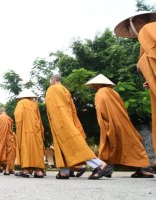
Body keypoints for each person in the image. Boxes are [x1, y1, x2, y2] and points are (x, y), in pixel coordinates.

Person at [45, 74, 113, 179]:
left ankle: (100, 164)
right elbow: (72, 109)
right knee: (66, 145)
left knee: (76, 145)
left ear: (53, 80)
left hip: (61, 122)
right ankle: (64, 171)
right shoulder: (65, 90)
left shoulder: (52, 89)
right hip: (68, 120)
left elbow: (53, 110)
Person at [86, 74, 154, 178]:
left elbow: (101, 110)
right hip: (123, 122)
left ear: (98, 84)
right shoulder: (114, 92)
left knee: (108, 145)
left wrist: (104, 124)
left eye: (94, 84)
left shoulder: (100, 92)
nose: (93, 86)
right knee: (131, 144)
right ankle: (143, 169)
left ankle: (105, 168)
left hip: (111, 122)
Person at [114, 11, 156, 172]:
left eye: (128, 27)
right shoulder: (144, 38)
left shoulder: (149, 29)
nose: (129, 32)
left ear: (137, 20)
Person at [14, 89, 45, 178]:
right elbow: (38, 118)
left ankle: (26, 170)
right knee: (36, 149)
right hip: (36, 130)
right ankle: (39, 171)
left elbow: (18, 117)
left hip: (25, 130)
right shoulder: (34, 104)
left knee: (26, 148)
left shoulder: (21, 103)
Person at [0, 107, 14, 175]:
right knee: (8, 152)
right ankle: (7, 170)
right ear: (5, 112)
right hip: (8, 137)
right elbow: (11, 130)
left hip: (0, 137)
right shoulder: (9, 118)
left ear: (0, 111)